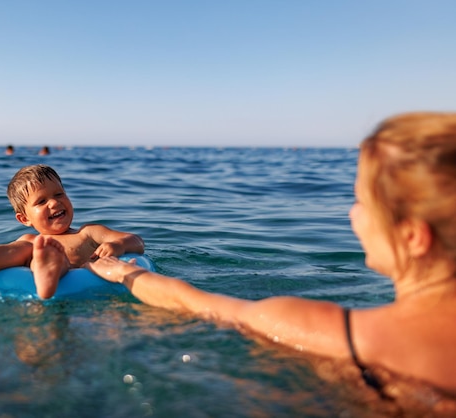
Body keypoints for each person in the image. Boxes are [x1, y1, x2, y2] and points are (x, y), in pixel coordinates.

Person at [85, 113, 456, 401]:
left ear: (412, 236)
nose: (352, 215)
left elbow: (197, 304)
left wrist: (122, 273)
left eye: (362, 202)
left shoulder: (346, 337)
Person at [0, 164, 145, 299]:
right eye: (42, 201)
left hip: (76, 279)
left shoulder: (88, 233)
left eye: (59, 194)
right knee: (21, 247)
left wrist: (117, 244)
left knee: (49, 253)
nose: (55, 202)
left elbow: (136, 242)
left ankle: (51, 267)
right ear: (25, 218)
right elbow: (9, 252)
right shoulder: (30, 241)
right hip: (37, 259)